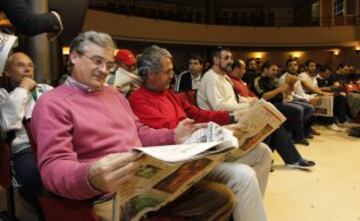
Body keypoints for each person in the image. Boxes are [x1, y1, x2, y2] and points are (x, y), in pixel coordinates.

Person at [31, 31, 236, 221]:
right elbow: (52, 167)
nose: (104, 70)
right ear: (74, 57)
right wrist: (90, 176)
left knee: (220, 196)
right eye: (97, 61)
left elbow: (139, 133)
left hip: (143, 181)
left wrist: (174, 135)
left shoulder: (115, 95)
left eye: (109, 64)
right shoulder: (52, 103)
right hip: (106, 192)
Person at [129, 45, 271, 221]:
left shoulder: (168, 94)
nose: (172, 76)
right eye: (168, 72)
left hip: (202, 149)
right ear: (151, 74)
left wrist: (231, 116)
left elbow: (197, 113)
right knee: (244, 175)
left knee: (263, 152)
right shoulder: (139, 99)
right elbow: (172, 134)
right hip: (186, 161)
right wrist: (216, 130)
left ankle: (248, 210)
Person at [197, 48, 315, 169]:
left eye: (231, 58)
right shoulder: (211, 78)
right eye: (226, 58)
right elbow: (219, 107)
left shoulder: (225, 77)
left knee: (273, 122)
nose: (231, 61)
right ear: (216, 60)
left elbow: (235, 98)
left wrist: (253, 101)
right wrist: (248, 105)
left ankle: (291, 160)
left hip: (234, 113)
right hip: (222, 120)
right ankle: (265, 159)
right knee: (265, 123)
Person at [0, 52, 52, 221]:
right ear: (7, 71)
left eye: (30, 65)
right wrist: (23, 89)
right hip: (25, 149)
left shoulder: (46, 90)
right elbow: (7, 123)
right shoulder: (3, 95)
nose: (27, 69)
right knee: (33, 178)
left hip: (53, 144)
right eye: (20, 65)